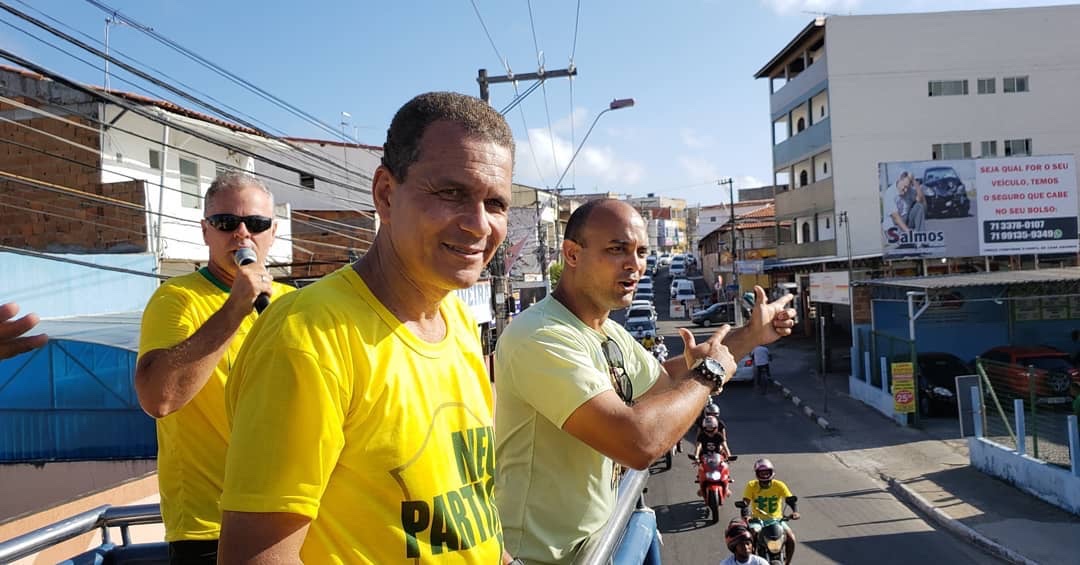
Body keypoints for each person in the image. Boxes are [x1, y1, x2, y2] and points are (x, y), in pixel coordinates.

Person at [217, 92, 516, 564]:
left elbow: (470, 512)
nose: (480, 224)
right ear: (385, 194)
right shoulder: (307, 337)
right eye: (451, 193)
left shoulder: (456, 320)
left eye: (496, 202)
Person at [494, 199, 797, 564]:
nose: (634, 264)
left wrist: (750, 335)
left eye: (640, 251)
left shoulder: (606, 332)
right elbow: (637, 442)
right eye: (616, 249)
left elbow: (668, 379)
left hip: (597, 547)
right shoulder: (541, 335)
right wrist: (709, 373)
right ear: (572, 254)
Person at [134, 172, 291, 564]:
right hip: (211, 529)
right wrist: (236, 307)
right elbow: (160, 398)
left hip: (291, 517)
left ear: (271, 232)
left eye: (255, 224)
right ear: (206, 232)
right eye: (226, 223)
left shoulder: (291, 304)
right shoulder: (176, 299)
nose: (241, 234)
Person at [740, 458, 800, 565]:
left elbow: (789, 499)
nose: (764, 475)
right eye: (762, 473)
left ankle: (787, 563)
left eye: (767, 472)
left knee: (791, 538)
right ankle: (751, 561)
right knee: (751, 537)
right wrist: (746, 515)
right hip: (757, 520)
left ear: (772, 472)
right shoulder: (751, 485)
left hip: (777, 520)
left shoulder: (779, 485)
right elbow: (745, 502)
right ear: (757, 473)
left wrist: (795, 511)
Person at [881, 170, 926, 242]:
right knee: (902, 247)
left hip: (905, 223)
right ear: (900, 179)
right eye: (904, 187)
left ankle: (922, 240)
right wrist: (909, 234)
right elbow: (896, 218)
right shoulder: (890, 193)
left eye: (907, 188)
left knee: (919, 206)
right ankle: (910, 239)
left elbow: (921, 200)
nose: (905, 190)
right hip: (893, 227)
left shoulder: (908, 190)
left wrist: (914, 181)